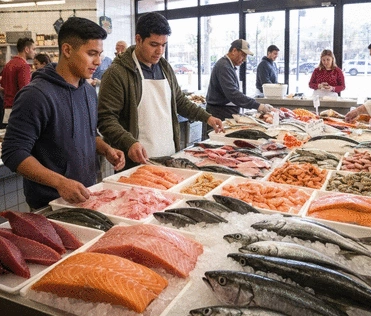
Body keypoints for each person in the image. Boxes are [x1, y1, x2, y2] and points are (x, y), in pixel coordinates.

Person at [1, 17, 125, 210]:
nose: (98, 62)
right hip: (50, 205)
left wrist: (106, 149)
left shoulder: (88, 92)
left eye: (100, 54)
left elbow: (87, 135)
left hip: (87, 196)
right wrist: (60, 182)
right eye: (91, 53)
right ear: (67, 50)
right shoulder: (36, 95)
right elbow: (13, 152)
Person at [97, 12, 224, 170]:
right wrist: (129, 142)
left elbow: (179, 100)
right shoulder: (117, 73)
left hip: (169, 155)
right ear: (138, 39)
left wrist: (207, 117)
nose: (160, 51)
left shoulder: (164, 68)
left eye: (164, 45)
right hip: (137, 162)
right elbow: (106, 119)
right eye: (154, 44)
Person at [206, 39, 273, 121]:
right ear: (234, 51)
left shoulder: (229, 65)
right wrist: (258, 106)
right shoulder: (224, 66)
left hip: (225, 111)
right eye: (243, 55)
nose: (244, 60)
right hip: (219, 114)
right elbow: (232, 93)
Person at [1, 37, 36, 124]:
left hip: (7, 108)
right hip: (19, 108)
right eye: (33, 49)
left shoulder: (9, 64)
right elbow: (25, 91)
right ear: (27, 49)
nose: (35, 52)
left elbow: (3, 86)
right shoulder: (24, 66)